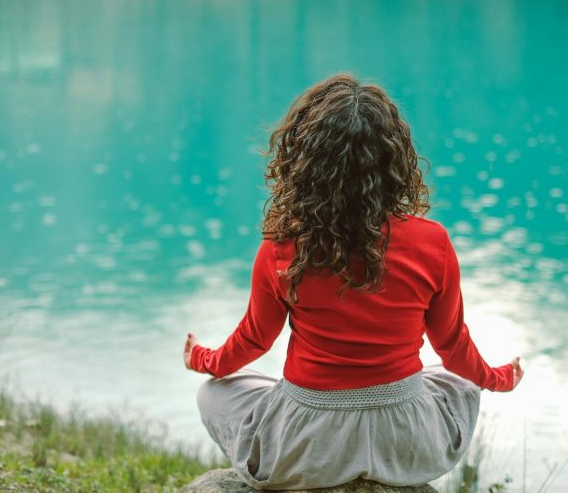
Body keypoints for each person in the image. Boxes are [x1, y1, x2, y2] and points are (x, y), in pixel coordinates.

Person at [183, 73, 524, 490]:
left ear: (304, 162)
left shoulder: (282, 246)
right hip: (407, 441)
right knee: (460, 382)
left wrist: (202, 359)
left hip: (308, 446)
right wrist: (497, 378)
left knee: (213, 394)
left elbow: (254, 340)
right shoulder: (433, 242)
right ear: (393, 161)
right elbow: (453, 348)